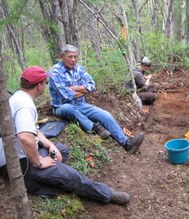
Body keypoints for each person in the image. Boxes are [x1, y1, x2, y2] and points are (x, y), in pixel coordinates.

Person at [0, 66, 130, 204]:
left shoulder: (18, 97)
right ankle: (107, 194)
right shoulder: (24, 105)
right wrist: (38, 162)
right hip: (18, 162)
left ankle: (50, 177)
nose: (45, 85)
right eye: (45, 82)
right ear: (39, 86)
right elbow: (25, 137)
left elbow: (34, 130)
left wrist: (50, 145)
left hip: (17, 153)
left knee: (61, 150)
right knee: (73, 177)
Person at [48, 44, 144, 154]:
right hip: (62, 107)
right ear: (62, 57)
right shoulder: (54, 72)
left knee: (105, 115)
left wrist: (75, 88)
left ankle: (126, 143)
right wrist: (83, 90)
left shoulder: (78, 68)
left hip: (81, 105)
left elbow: (92, 85)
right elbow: (66, 95)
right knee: (68, 108)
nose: (73, 60)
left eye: (75, 57)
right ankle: (94, 127)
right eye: (70, 57)